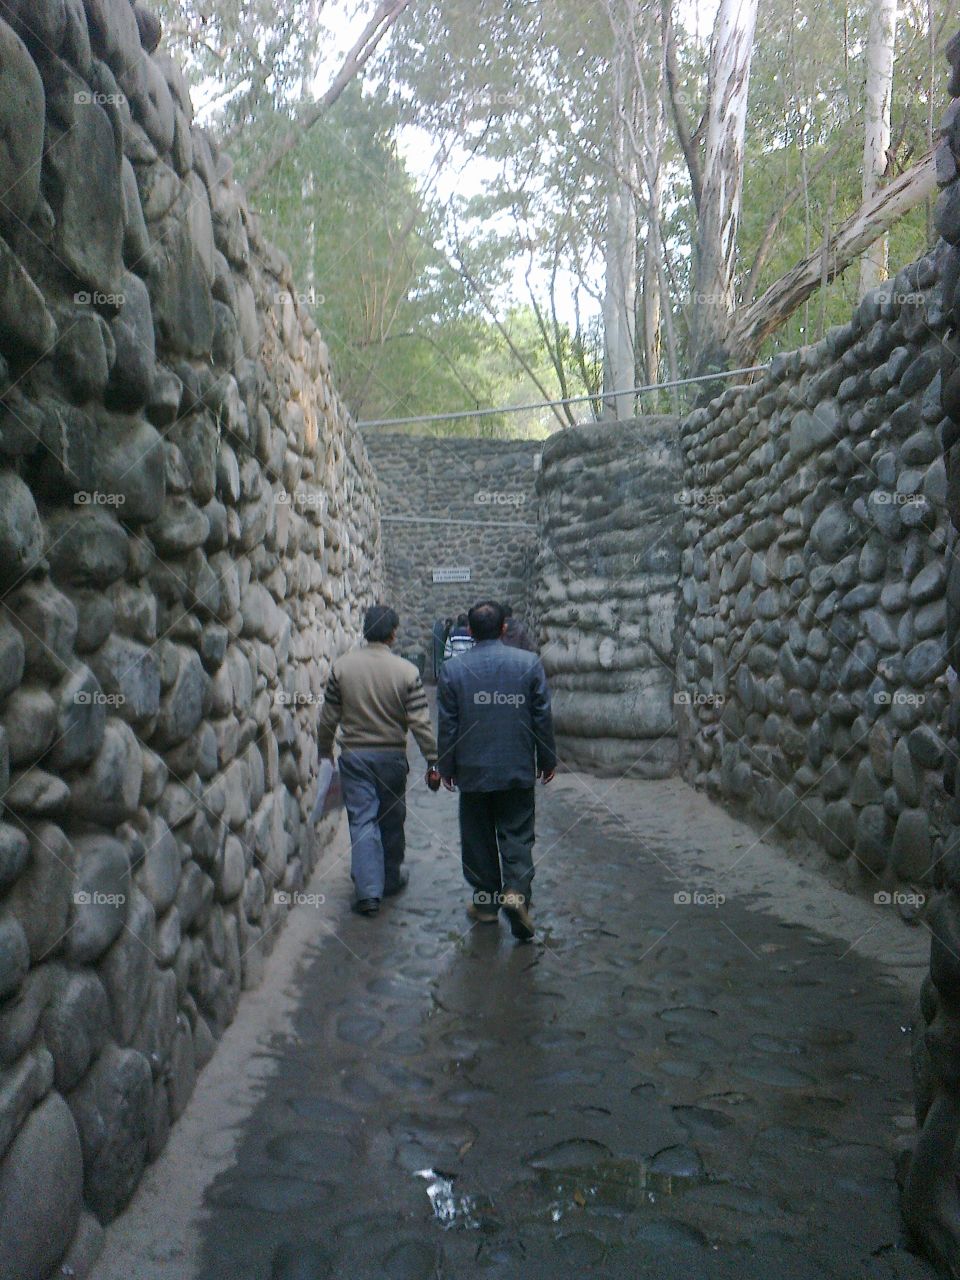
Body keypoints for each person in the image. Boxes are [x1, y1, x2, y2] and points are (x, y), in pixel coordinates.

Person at [436, 599, 557, 941]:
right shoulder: (529, 664)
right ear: (505, 628)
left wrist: (445, 766)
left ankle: (486, 904)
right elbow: (541, 717)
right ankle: (516, 891)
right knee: (517, 832)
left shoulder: (453, 670)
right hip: (516, 763)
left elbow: (448, 724)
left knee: (477, 837)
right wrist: (547, 759)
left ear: (469, 631)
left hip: (472, 769)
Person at [317, 604, 441, 917]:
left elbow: (328, 717)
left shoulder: (341, 668)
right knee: (391, 818)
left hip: (355, 757)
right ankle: (390, 877)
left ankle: (367, 892)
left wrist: (323, 751)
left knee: (361, 819)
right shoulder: (407, 671)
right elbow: (420, 721)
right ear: (393, 633)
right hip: (392, 758)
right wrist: (432, 759)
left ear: (364, 630)